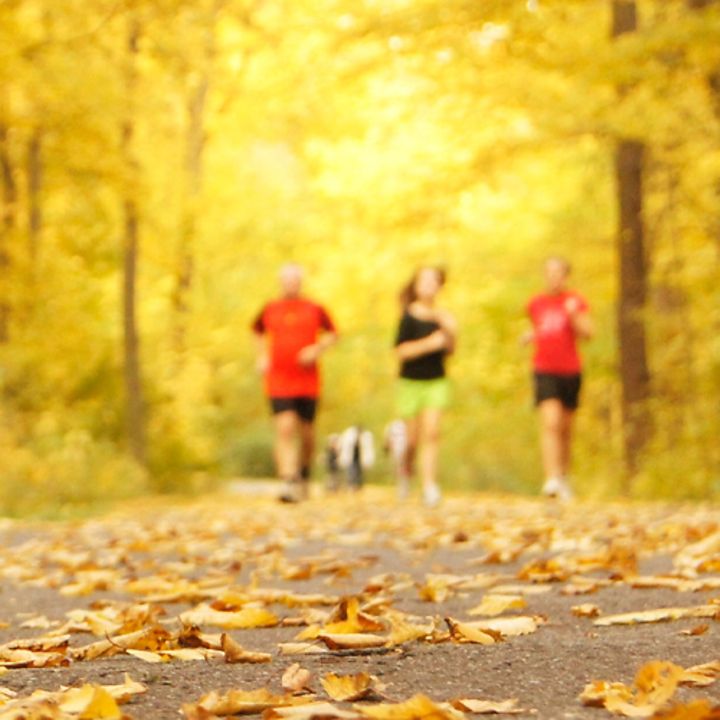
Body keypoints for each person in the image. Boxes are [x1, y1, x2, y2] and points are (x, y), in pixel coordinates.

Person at [252, 263, 338, 502]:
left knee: (307, 434)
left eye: (295, 280)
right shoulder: (270, 309)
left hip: (307, 381)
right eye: (287, 280)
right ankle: (288, 481)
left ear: (300, 282)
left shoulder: (315, 308)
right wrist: (261, 357)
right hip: (278, 379)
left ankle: (304, 473)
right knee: (285, 427)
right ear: (281, 282)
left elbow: (334, 334)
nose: (291, 283)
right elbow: (256, 331)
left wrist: (317, 349)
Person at [523, 256, 593, 501]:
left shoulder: (576, 301)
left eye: (558, 273)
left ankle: (563, 475)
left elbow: (588, 333)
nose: (553, 277)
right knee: (550, 422)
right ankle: (551, 478)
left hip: (571, 371)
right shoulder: (536, 303)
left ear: (565, 276)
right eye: (549, 272)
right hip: (544, 369)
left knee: (565, 428)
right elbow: (541, 328)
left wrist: (573, 315)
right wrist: (530, 336)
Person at [394, 266, 457, 507]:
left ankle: (430, 485)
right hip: (410, 383)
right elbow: (400, 352)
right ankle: (406, 468)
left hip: (436, 382)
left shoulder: (443, 316)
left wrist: (450, 331)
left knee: (432, 432)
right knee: (412, 439)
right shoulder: (408, 316)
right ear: (416, 285)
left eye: (434, 281)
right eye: (425, 280)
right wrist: (430, 344)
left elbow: (451, 350)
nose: (430, 285)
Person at [337, 425, 376, 490]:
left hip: (359, 459)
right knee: (351, 472)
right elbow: (345, 447)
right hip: (351, 459)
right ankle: (350, 485)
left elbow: (368, 449)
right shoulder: (349, 435)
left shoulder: (365, 437)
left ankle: (358, 486)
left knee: (359, 473)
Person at [383, 419, 410, 499]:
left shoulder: (408, 424)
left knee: (403, 468)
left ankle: (403, 488)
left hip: (405, 450)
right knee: (399, 469)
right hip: (396, 451)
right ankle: (402, 487)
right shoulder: (393, 425)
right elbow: (387, 438)